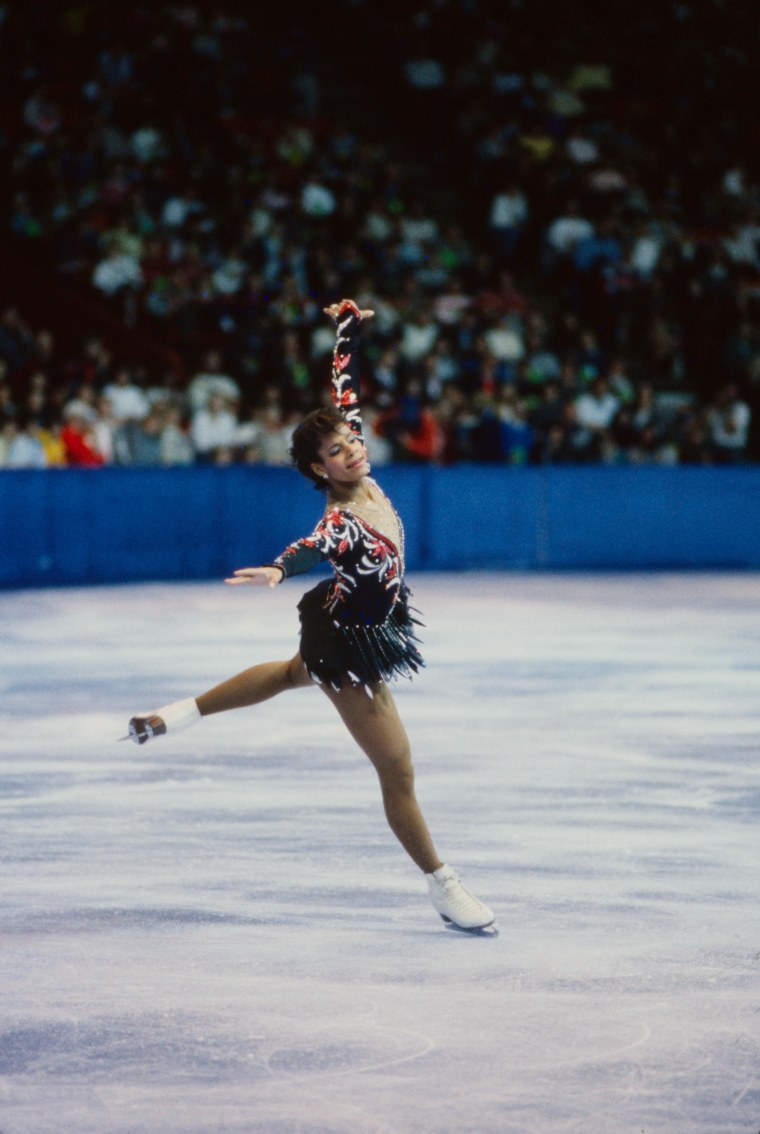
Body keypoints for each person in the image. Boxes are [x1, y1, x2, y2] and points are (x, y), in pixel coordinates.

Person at [123, 299, 494, 933]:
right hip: (350, 647)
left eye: (351, 439)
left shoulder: (357, 462)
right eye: (336, 449)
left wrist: (346, 323)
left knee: (293, 673)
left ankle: (175, 715)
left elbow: (343, 379)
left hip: (352, 619)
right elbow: (309, 548)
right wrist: (275, 569)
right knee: (397, 769)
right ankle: (441, 883)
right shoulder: (339, 520)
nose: (352, 449)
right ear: (317, 468)